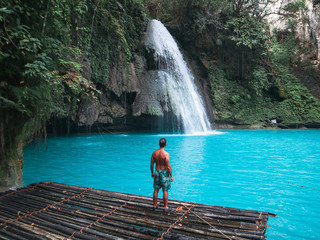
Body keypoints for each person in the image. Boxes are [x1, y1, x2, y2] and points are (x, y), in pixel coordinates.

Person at [150, 138, 174, 211]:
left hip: (157, 171)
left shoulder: (154, 153)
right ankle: (165, 207)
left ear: (159, 144)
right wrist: (171, 176)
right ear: (165, 145)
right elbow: (168, 166)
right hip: (164, 173)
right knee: (165, 190)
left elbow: (151, 164)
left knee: (156, 189)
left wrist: (152, 172)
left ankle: (154, 206)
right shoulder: (166, 154)